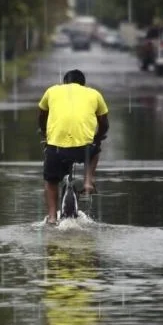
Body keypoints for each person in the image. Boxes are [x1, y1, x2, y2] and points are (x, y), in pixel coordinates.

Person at [37, 69, 109, 225]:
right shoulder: (94, 94)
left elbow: (42, 115)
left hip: (56, 147)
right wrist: (98, 137)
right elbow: (104, 122)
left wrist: (44, 133)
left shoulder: (52, 91)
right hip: (84, 148)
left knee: (51, 181)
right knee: (95, 151)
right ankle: (88, 181)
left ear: (64, 83)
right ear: (83, 84)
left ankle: (51, 217)